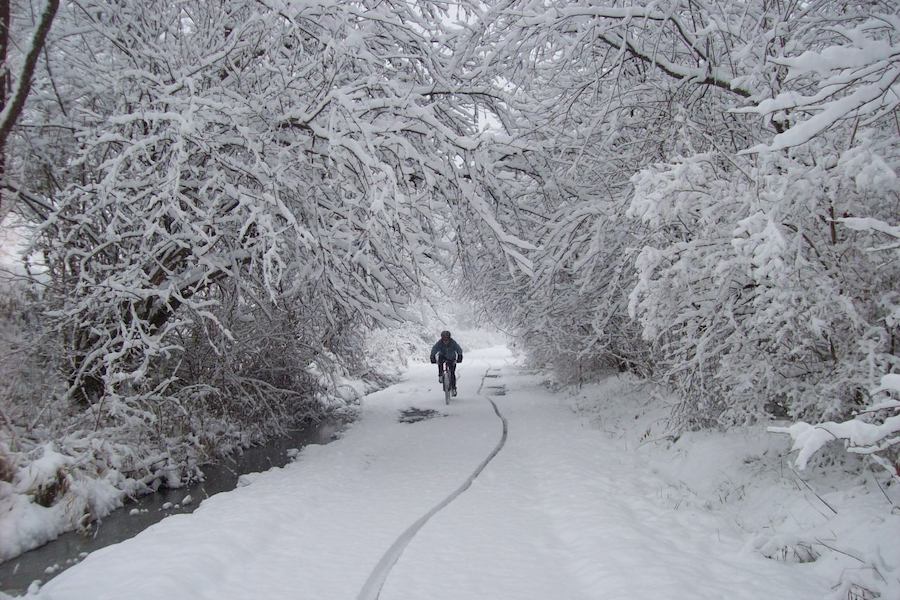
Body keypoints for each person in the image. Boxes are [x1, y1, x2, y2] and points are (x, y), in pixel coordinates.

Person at [430, 330, 463, 396]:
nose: (445, 340)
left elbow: (459, 349)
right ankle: (440, 375)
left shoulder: (453, 343)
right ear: (442, 338)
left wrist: (459, 356)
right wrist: (432, 356)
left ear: (449, 338)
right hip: (443, 356)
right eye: (444, 339)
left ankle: (453, 388)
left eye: (447, 339)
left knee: (452, 373)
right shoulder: (439, 343)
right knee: (440, 363)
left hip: (451, 358)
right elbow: (434, 349)